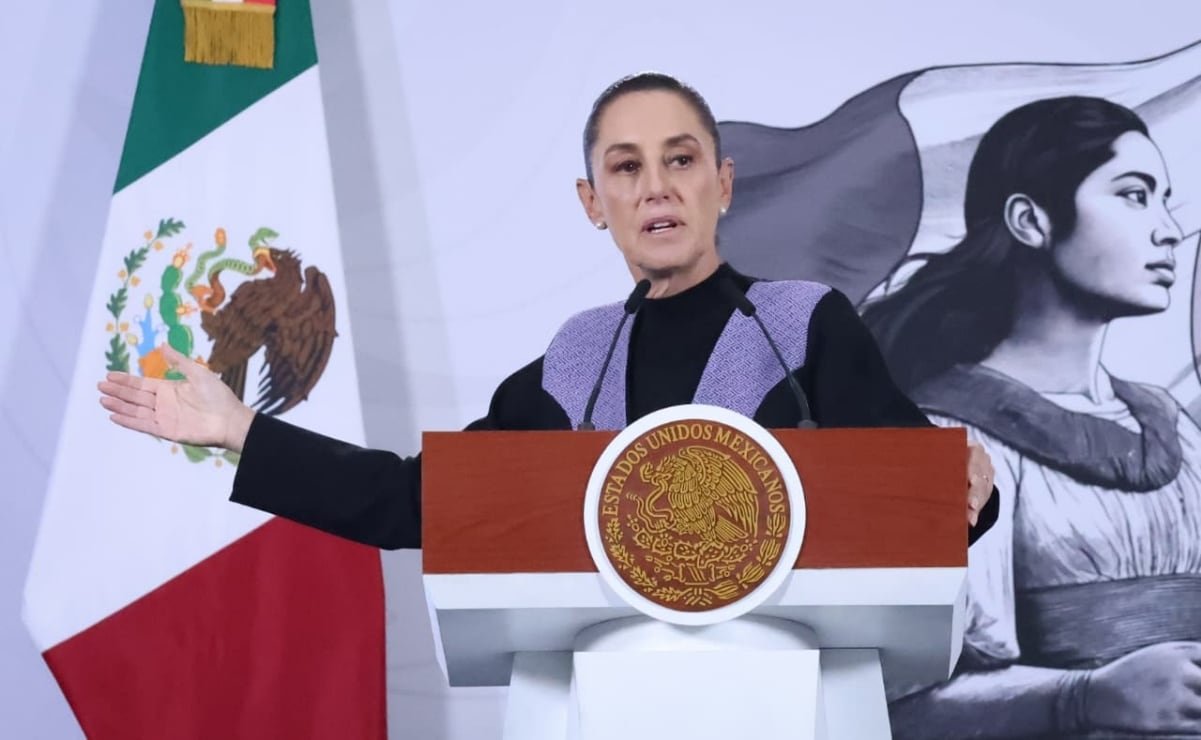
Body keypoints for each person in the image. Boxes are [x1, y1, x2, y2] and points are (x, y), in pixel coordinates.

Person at [97, 72, 998, 553]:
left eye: (681, 160)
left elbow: (924, 495)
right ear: (591, 202)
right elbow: (414, 502)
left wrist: (972, 492)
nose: (656, 188)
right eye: (625, 167)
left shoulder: (803, 326)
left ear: (722, 185)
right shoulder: (578, 361)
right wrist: (241, 431)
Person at [863, 96, 1201, 737]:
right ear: (1030, 220)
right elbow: (899, 706)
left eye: (1165, 201)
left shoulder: (1175, 426)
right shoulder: (947, 438)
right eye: (1134, 196)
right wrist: (1085, 696)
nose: (1168, 230)